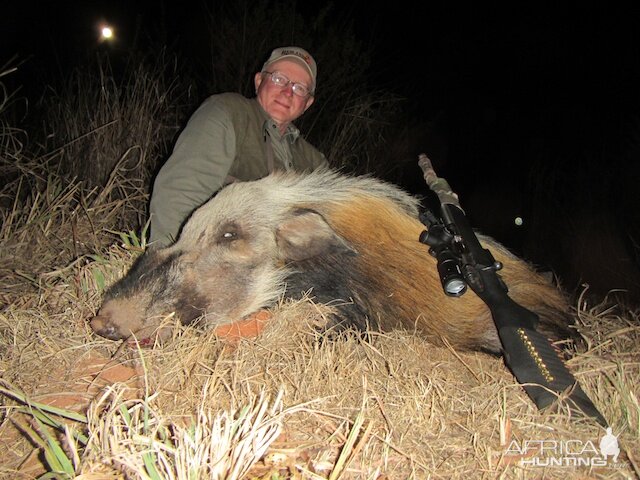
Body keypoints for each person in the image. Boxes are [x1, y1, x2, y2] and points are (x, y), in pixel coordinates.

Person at [149, 46, 328, 247]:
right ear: (259, 81)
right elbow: (181, 191)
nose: (287, 92)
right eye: (279, 79)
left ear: (308, 103)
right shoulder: (227, 112)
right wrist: (172, 258)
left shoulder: (315, 161)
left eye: (299, 88)